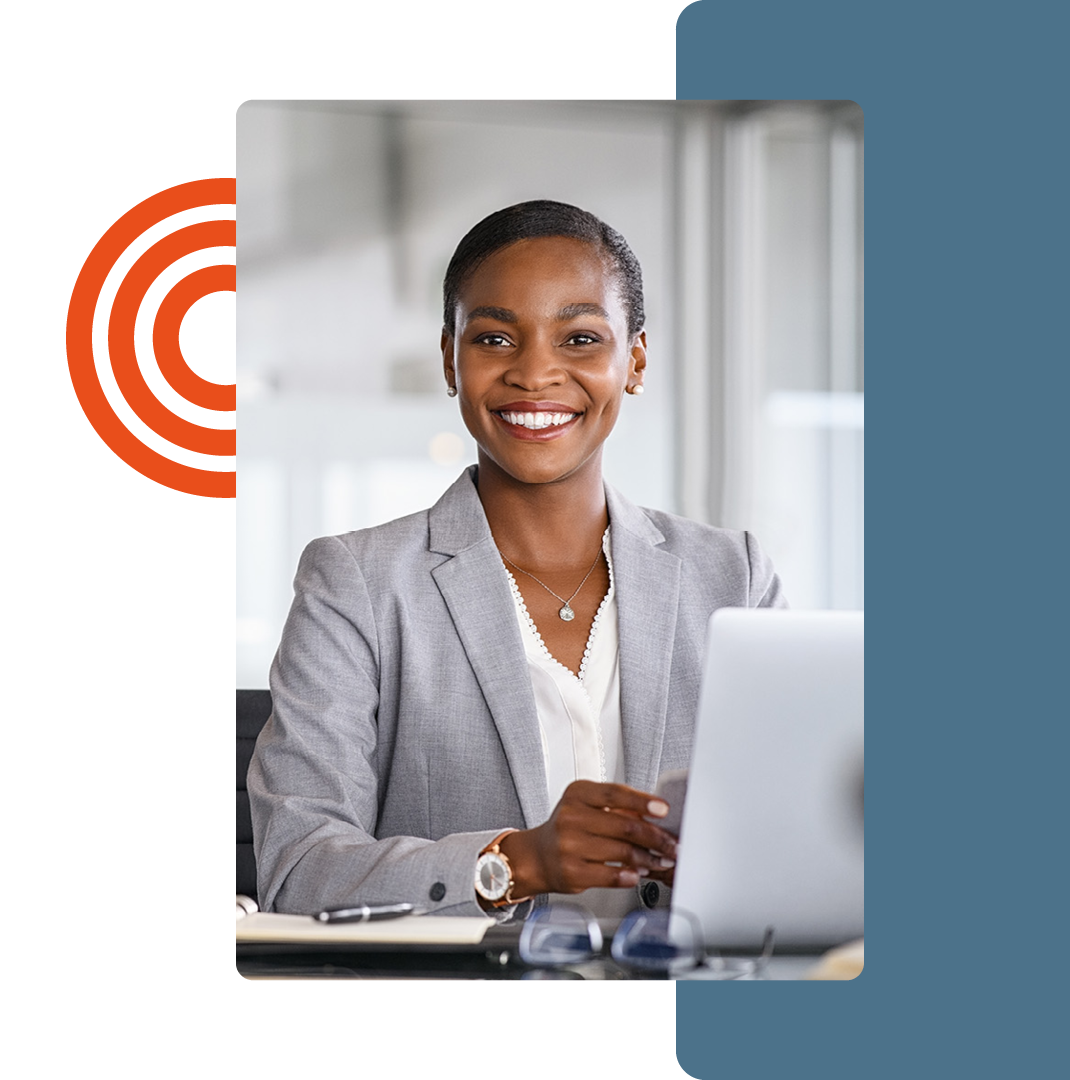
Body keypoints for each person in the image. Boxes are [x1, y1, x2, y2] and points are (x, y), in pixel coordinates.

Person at [248, 200, 785, 918]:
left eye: (582, 338)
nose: (535, 373)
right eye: (496, 338)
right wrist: (517, 861)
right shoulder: (358, 586)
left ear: (636, 360)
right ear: (451, 360)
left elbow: (797, 835)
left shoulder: (734, 578)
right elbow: (299, 867)